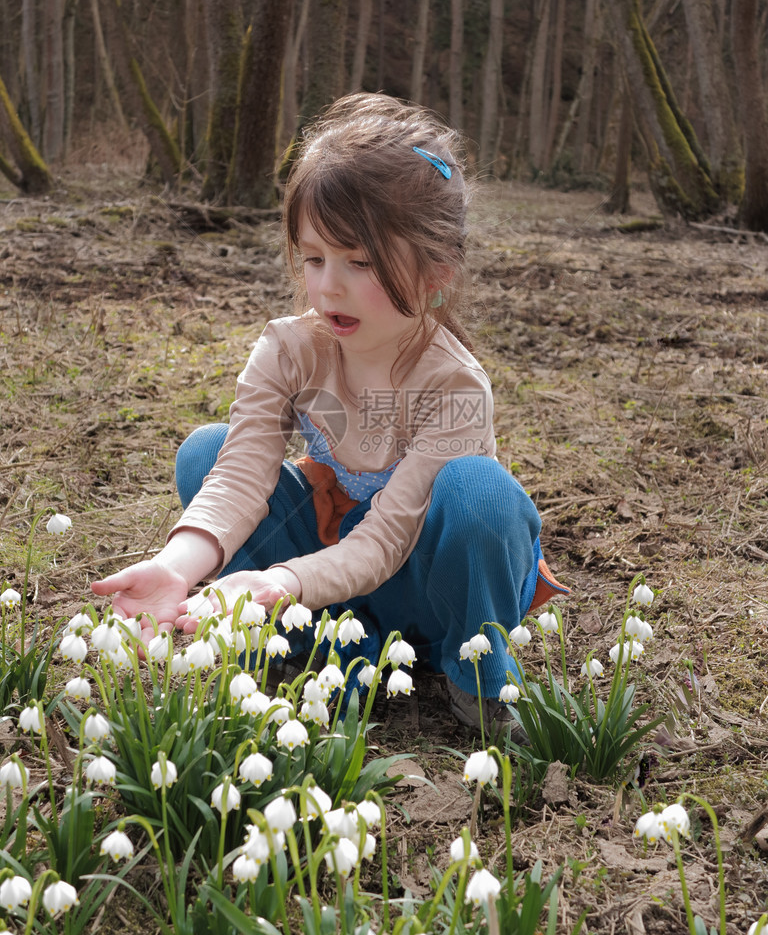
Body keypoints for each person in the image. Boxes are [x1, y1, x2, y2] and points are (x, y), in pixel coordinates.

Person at [91, 93, 568, 731]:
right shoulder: (289, 347)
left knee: (481, 491)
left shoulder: (455, 384)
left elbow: (389, 538)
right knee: (206, 450)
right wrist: (178, 566)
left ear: (436, 272)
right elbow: (237, 475)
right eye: (313, 258)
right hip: (329, 563)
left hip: (423, 588)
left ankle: (469, 672)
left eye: (359, 262)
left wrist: (281, 580)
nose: (326, 287)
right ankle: (330, 649)